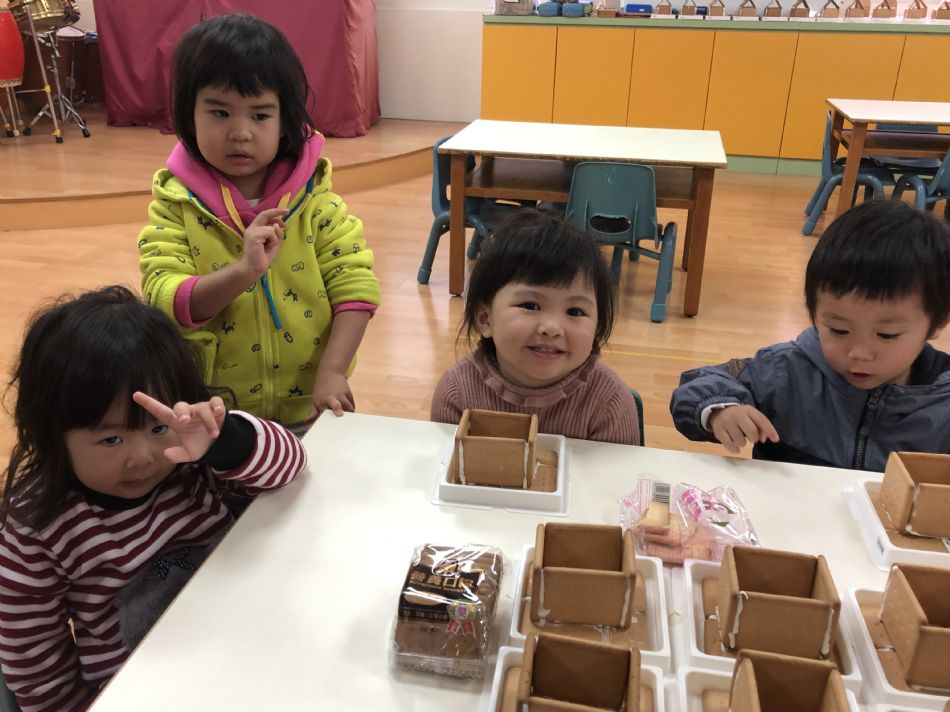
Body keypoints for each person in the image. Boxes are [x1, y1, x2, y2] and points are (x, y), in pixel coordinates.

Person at [0, 286, 307, 712]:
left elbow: (291, 463)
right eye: (111, 439)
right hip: (139, 690)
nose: (144, 457)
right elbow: (35, 661)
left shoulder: (190, 460)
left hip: (246, 647)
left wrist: (224, 441)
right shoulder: (38, 528)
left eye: (158, 427)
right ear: (51, 434)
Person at [138, 13, 380, 431]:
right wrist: (244, 272)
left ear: (286, 121)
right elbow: (165, 299)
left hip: (308, 408)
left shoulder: (317, 204)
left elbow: (356, 290)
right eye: (220, 112)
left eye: (260, 115)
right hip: (214, 416)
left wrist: (333, 372)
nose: (240, 132)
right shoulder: (175, 206)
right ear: (188, 115)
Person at [670, 200, 950, 471]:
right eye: (839, 330)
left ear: (937, 322)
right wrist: (719, 410)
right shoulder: (785, 370)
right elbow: (699, 385)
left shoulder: (942, 401)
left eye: (886, 335)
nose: (859, 353)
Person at [431, 209, 641, 445]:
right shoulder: (457, 393)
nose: (552, 328)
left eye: (575, 311)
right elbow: (446, 465)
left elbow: (618, 470)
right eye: (530, 305)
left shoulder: (609, 402)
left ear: (597, 327)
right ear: (485, 319)